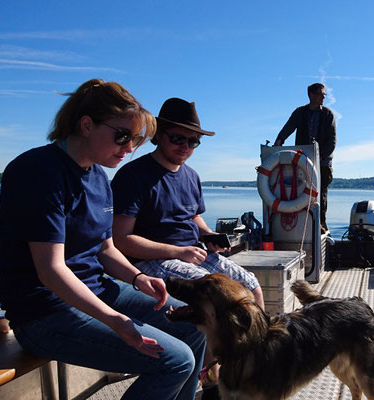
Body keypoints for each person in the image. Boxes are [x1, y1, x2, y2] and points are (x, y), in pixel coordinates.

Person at [0, 79, 205, 400]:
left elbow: (106, 249)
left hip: (98, 292)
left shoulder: (99, 177)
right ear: (87, 125)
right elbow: (51, 270)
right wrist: (116, 321)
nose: (130, 148)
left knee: (195, 326)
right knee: (175, 361)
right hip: (44, 313)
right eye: (122, 136)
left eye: (135, 139)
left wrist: (138, 277)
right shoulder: (38, 171)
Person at [111, 98, 265, 399]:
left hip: (193, 254)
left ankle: (249, 363)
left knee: (252, 285)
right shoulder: (133, 176)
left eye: (193, 142)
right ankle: (210, 382)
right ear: (159, 135)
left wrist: (208, 234)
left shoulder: (191, 176)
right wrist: (176, 251)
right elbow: (120, 240)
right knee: (207, 304)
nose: (186, 147)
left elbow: (193, 216)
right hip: (151, 261)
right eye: (178, 138)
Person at [274, 82, 337, 233]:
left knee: (320, 194)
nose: (323, 97)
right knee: (302, 192)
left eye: (324, 95)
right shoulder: (300, 113)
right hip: (303, 162)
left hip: (322, 164)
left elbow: (332, 141)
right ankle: (304, 224)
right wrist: (279, 141)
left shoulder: (328, 114)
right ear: (311, 95)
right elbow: (288, 127)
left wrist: (320, 156)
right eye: (321, 94)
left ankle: (321, 224)